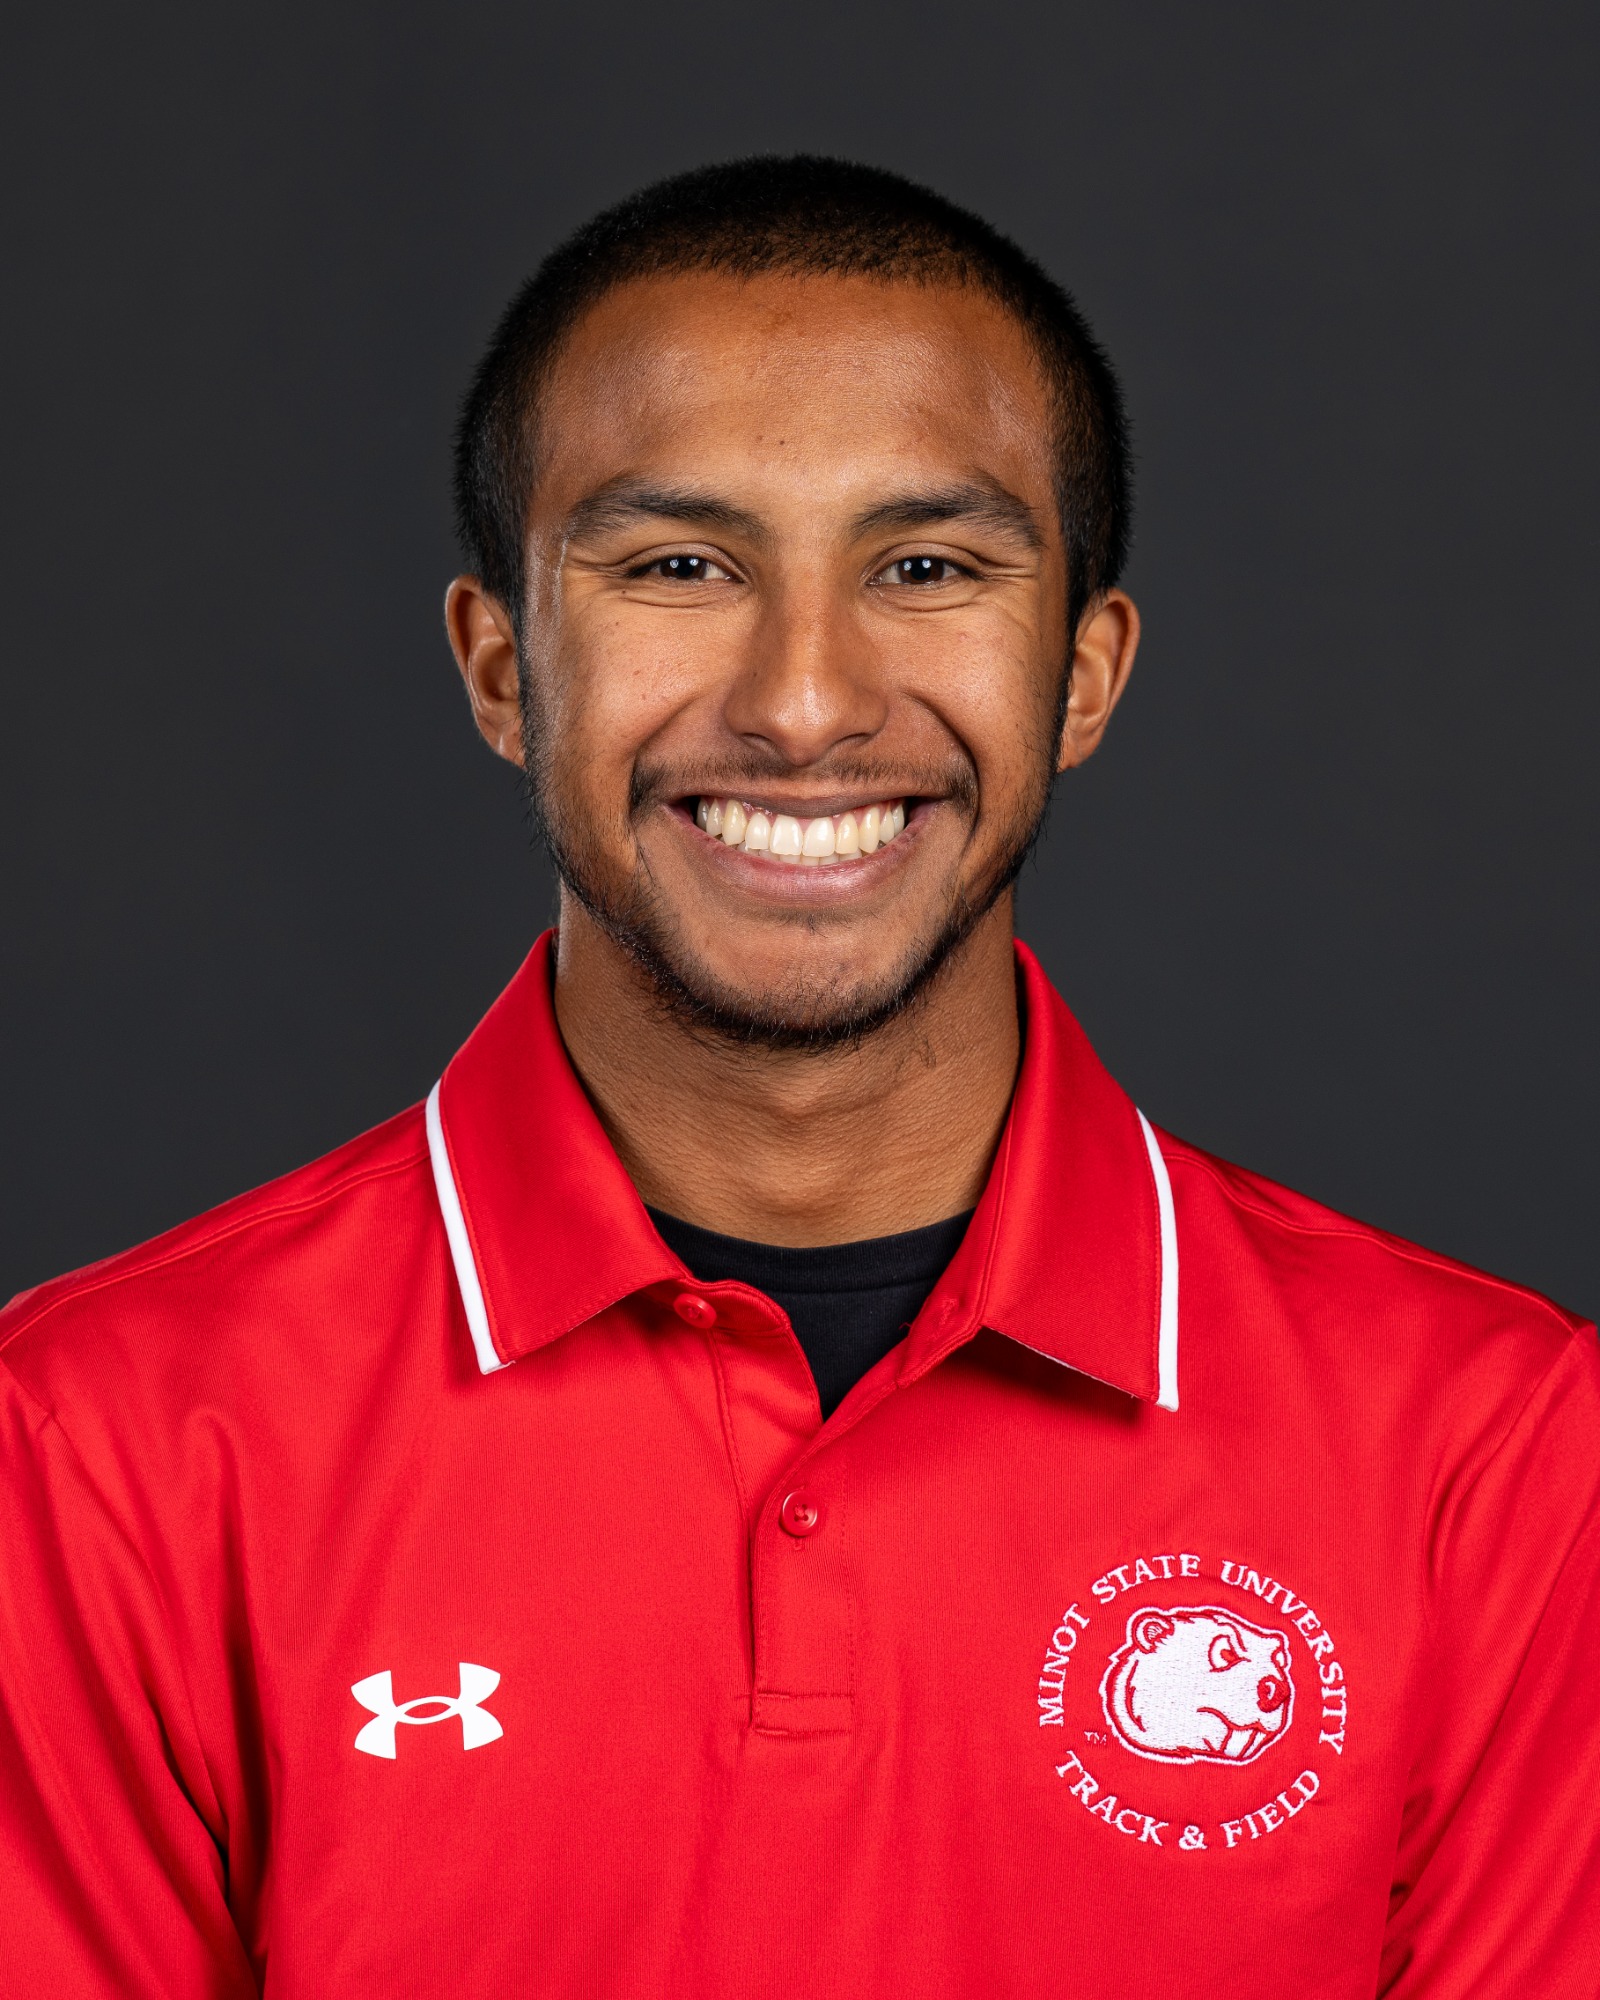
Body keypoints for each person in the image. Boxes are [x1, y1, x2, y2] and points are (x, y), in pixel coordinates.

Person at [1, 156, 1595, 2000]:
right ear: (504, 670)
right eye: (681, 567)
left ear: (1084, 676)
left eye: (926, 569)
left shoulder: (1491, 1454)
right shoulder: (96, 1449)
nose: (806, 702)